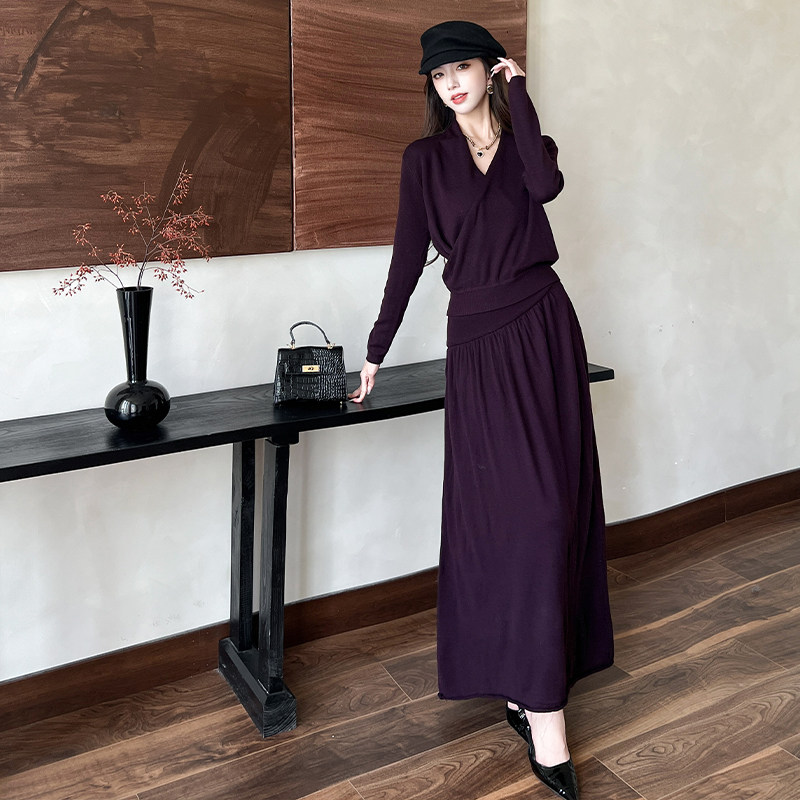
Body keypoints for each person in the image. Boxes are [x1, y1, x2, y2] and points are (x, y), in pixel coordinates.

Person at [350, 20, 614, 800]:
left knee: (554, 513)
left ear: (490, 71)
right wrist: (375, 351)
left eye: (463, 68)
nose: (451, 85)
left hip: (543, 327)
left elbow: (546, 188)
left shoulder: (532, 142)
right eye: (439, 76)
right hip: (478, 343)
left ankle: (536, 699)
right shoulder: (423, 161)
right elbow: (406, 259)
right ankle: (536, 705)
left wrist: (520, 91)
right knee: (513, 521)